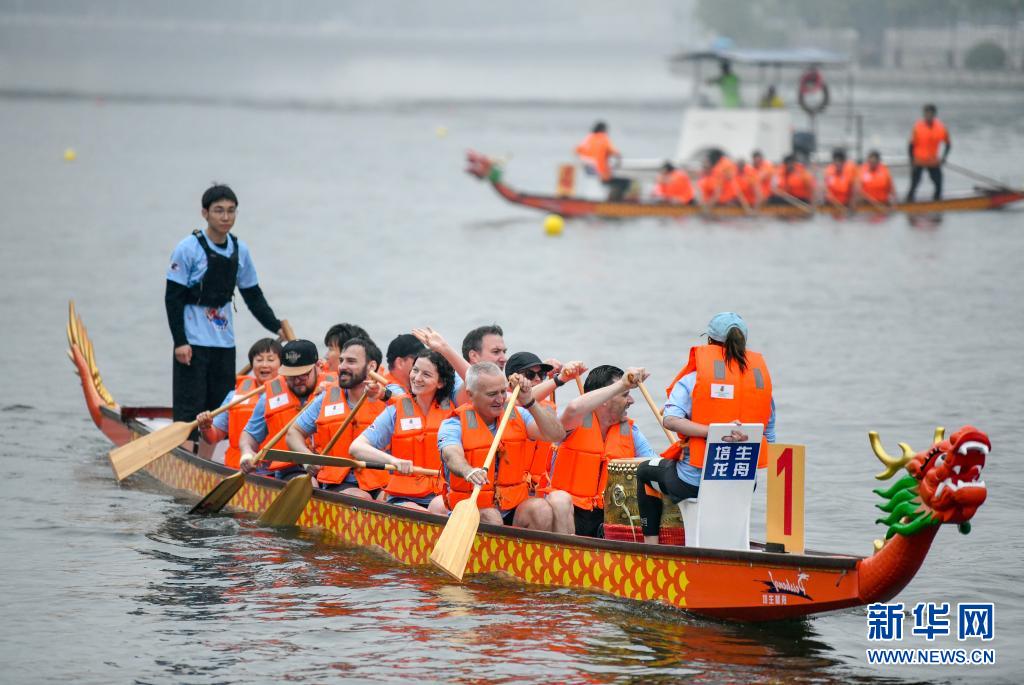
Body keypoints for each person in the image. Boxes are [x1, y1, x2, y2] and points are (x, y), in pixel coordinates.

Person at [636, 312, 775, 544]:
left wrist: (714, 433)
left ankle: (652, 548)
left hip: (691, 483)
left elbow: (669, 420)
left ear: (709, 342)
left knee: (644, 471)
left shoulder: (694, 379)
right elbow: (768, 435)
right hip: (743, 484)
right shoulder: (760, 383)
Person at [165, 184, 283, 424]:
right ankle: (186, 451)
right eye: (219, 210)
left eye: (231, 211)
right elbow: (173, 298)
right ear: (205, 213)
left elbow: (253, 296)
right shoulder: (187, 248)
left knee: (220, 408)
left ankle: (215, 454)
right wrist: (180, 341)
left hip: (223, 342)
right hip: (192, 343)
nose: (226, 217)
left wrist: (277, 327)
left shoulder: (240, 250)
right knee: (191, 407)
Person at [438, 362, 572, 532]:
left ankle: (526, 555)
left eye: (503, 391)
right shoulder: (453, 423)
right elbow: (451, 455)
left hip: (512, 506)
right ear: (470, 395)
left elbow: (557, 435)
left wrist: (529, 401)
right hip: (472, 508)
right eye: (492, 394)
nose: (500, 399)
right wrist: (468, 471)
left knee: (541, 509)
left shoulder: (518, 414)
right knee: (492, 517)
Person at [349, 349, 457, 513]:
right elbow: (356, 448)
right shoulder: (395, 411)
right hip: (404, 497)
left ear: (440, 382)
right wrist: (394, 461)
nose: (417, 378)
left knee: (440, 507)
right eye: (415, 370)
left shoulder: (453, 412)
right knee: (418, 512)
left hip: (440, 492)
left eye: (426, 374)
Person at [555, 365, 657, 538]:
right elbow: (573, 407)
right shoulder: (574, 422)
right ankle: (565, 557)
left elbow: (655, 464)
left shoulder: (630, 431)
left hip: (610, 516)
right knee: (558, 500)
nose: (631, 400)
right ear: (605, 398)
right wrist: (621, 384)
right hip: (570, 513)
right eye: (625, 394)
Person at [286, 337, 393, 498]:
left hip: (379, 481)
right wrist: (308, 459)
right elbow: (293, 433)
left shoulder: (387, 399)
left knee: (388, 500)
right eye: (341, 360)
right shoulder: (326, 398)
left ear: (371, 366)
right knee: (361, 497)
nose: (342, 366)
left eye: (351, 361)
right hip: (337, 482)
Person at [504, 351, 587, 495]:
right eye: (530, 375)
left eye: (541, 375)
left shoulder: (547, 406)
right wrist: (559, 378)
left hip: (541, 488)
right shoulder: (503, 401)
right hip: (512, 490)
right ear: (511, 380)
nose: (537, 379)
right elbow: (520, 400)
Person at [237, 339, 321, 480]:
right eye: (291, 375)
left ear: (318, 366)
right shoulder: (269, 397)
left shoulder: (333, 390)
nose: (296, 380)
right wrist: (247, 452)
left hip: (329, 468)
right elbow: (249, 435)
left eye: (303, 374)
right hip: (290, 469)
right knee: (307, 482)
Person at [196, 337, 282, 467]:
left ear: (282, 365)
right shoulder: (234, 397)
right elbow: (213, 437)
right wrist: (205, 427)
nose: (264, 364)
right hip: (240, 466)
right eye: (259, 360)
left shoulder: (293, 393)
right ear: (252, 364)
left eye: (270, 360)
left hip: (278, 469)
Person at [906, 103, 951, 202]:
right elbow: (910, 146)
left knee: (938, 183)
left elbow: (948, 144)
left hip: (933, 161)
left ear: (934, 114)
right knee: (914, 183)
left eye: (930, 113)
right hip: (919, 160)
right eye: (926, 113)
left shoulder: (941, 127)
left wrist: (944, 158)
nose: (928, 115)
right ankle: (909, 203)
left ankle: (937, 202)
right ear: (924, 114)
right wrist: (911, 160)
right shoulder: (917, 127)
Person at [575, 121, 630, 201]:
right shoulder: (604, 138)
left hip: (589, 172)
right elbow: (616, 153)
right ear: (604, 130)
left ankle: (611, 198)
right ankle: (614, 201)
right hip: (602, 174)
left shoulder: (588, 138)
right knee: (625, 181)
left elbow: (577, 151)